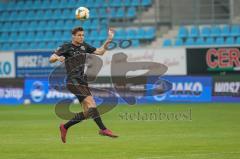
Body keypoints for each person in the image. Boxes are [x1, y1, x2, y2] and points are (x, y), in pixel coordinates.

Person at [49, 26, 118, 143]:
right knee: (92, 103)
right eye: (79, 35)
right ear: (73, 36)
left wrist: (109, 40)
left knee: (87, 113)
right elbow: (51, 58)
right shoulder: (66, 47)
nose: (81, 37)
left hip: (82, 81)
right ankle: (103, 129)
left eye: (83, 35)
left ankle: (64, 127)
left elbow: (100, 52)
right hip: (72, 81)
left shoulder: (84, 46)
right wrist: (57, 58)